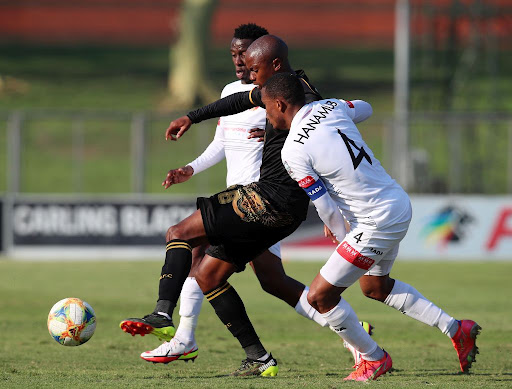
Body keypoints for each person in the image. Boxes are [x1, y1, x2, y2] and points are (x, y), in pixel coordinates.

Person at [120, 23, 332, 364]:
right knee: (212, 275)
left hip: (264, 199)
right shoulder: (279, 89)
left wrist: (331, 208)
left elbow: (329, 156)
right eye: (240, 60)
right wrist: (192, 118)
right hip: (277, 208)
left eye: (252, 65)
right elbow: (235, 103)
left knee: (180, 233)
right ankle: (260, 356)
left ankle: (165, 316)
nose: (247, 71)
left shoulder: (305, 102)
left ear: (272, 63)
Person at [260, 72, 481, 381]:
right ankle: (458, 330)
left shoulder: (292, 151)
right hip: (397, 204)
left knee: (320, 297)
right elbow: (365, 108)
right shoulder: (331, 106)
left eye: (267, 109)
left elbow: (323, 206)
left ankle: (374, 359)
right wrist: (332, 107)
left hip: (376, 220)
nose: (267, 117)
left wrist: (342, 240)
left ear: (281, 104)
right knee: (375, 287)